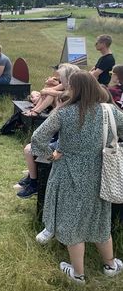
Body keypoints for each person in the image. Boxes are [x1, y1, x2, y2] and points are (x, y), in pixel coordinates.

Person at [31, 71, 123, 284]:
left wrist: (51, 155)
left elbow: (38, 138)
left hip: (68, 173)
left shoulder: (64, 113)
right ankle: (110, 265)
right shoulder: (110, 111)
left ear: (74, 89)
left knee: (72, 222)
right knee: (100, 220)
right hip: (101, 173)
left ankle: (78, 274)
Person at [16, 63, 80, 199]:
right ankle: (32, 175)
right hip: (65, 139)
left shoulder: (69, 96)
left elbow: (43, 132)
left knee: (29, 149)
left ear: (68, 79)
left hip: (66, 144)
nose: (59, 80)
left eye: (61, 78)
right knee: (34, 148)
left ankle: (34, 184)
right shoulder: (73, 92)